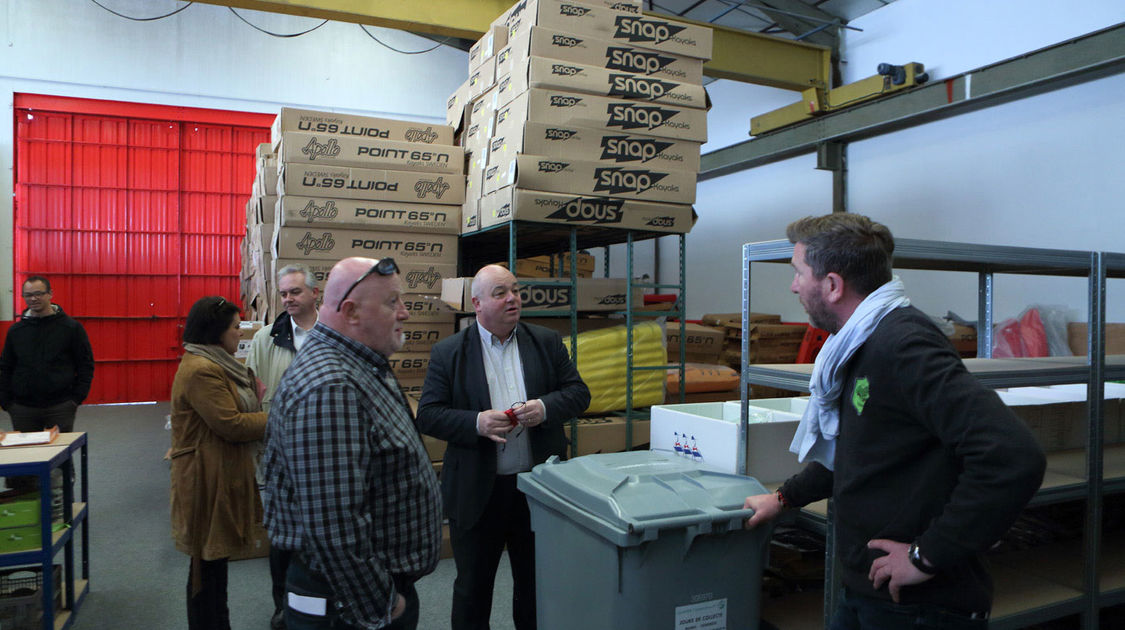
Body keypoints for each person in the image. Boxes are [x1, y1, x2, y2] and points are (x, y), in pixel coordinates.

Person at [742, 213, 1047, 629]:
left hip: (920, 606)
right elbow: (860, 450)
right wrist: (783, 499)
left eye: (798, 273)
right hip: (871, 593)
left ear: (832, 285)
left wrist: (927, 555)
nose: (794, 285)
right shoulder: (858, 341)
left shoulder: (903, 345)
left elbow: (1013, 454)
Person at [260, 257, 441, 630]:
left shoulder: (358, 364)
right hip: (347, 604)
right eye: (393, 302)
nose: (405, 313)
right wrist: (379, 603)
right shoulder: (331, 387)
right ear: (351, 311)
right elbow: (334, 523)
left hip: (356, 593)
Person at [416, 264, 591, 630]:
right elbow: (429, 415)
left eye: (515, 290)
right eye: (500, 293)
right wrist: (475, 423)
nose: (512, 298)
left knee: (535, 585)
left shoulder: (545, 341)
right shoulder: (449, 352)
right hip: (479, 492)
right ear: (477, 304)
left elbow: (578, 394)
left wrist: (544, 408)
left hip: (537, 490)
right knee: (473, 589)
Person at [169, 296, 268, 630]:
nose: (239, 334)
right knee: (206, 565)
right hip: (205, 478)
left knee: (213, 563)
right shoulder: (202, 369)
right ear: (217, 331)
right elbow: (231, 424)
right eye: (236, 327)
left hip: (217, 471)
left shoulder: (217, 364)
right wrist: (277, 417)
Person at [246, 263, 320, 630]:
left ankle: (323, 603)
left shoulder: (335, 334)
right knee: (283, 535)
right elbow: (253, 394)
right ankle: (283, 606)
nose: (288, 299)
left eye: (296, 292)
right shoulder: (266, 339)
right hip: (281, 453)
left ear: (314, 294)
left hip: (325, 451)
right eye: (285, 293)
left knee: (323, 531)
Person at [0, 275, 94, 432]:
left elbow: (85, 364)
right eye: (28, 295)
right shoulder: (16, 331)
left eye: (39, 293)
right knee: (28, 455)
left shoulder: (71, 328)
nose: (34, 299)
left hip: (61, 406)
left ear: (50, 294)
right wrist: (6, 401)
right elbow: (6, 367)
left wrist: (76, 398)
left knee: (61, 454)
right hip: (22, 408)